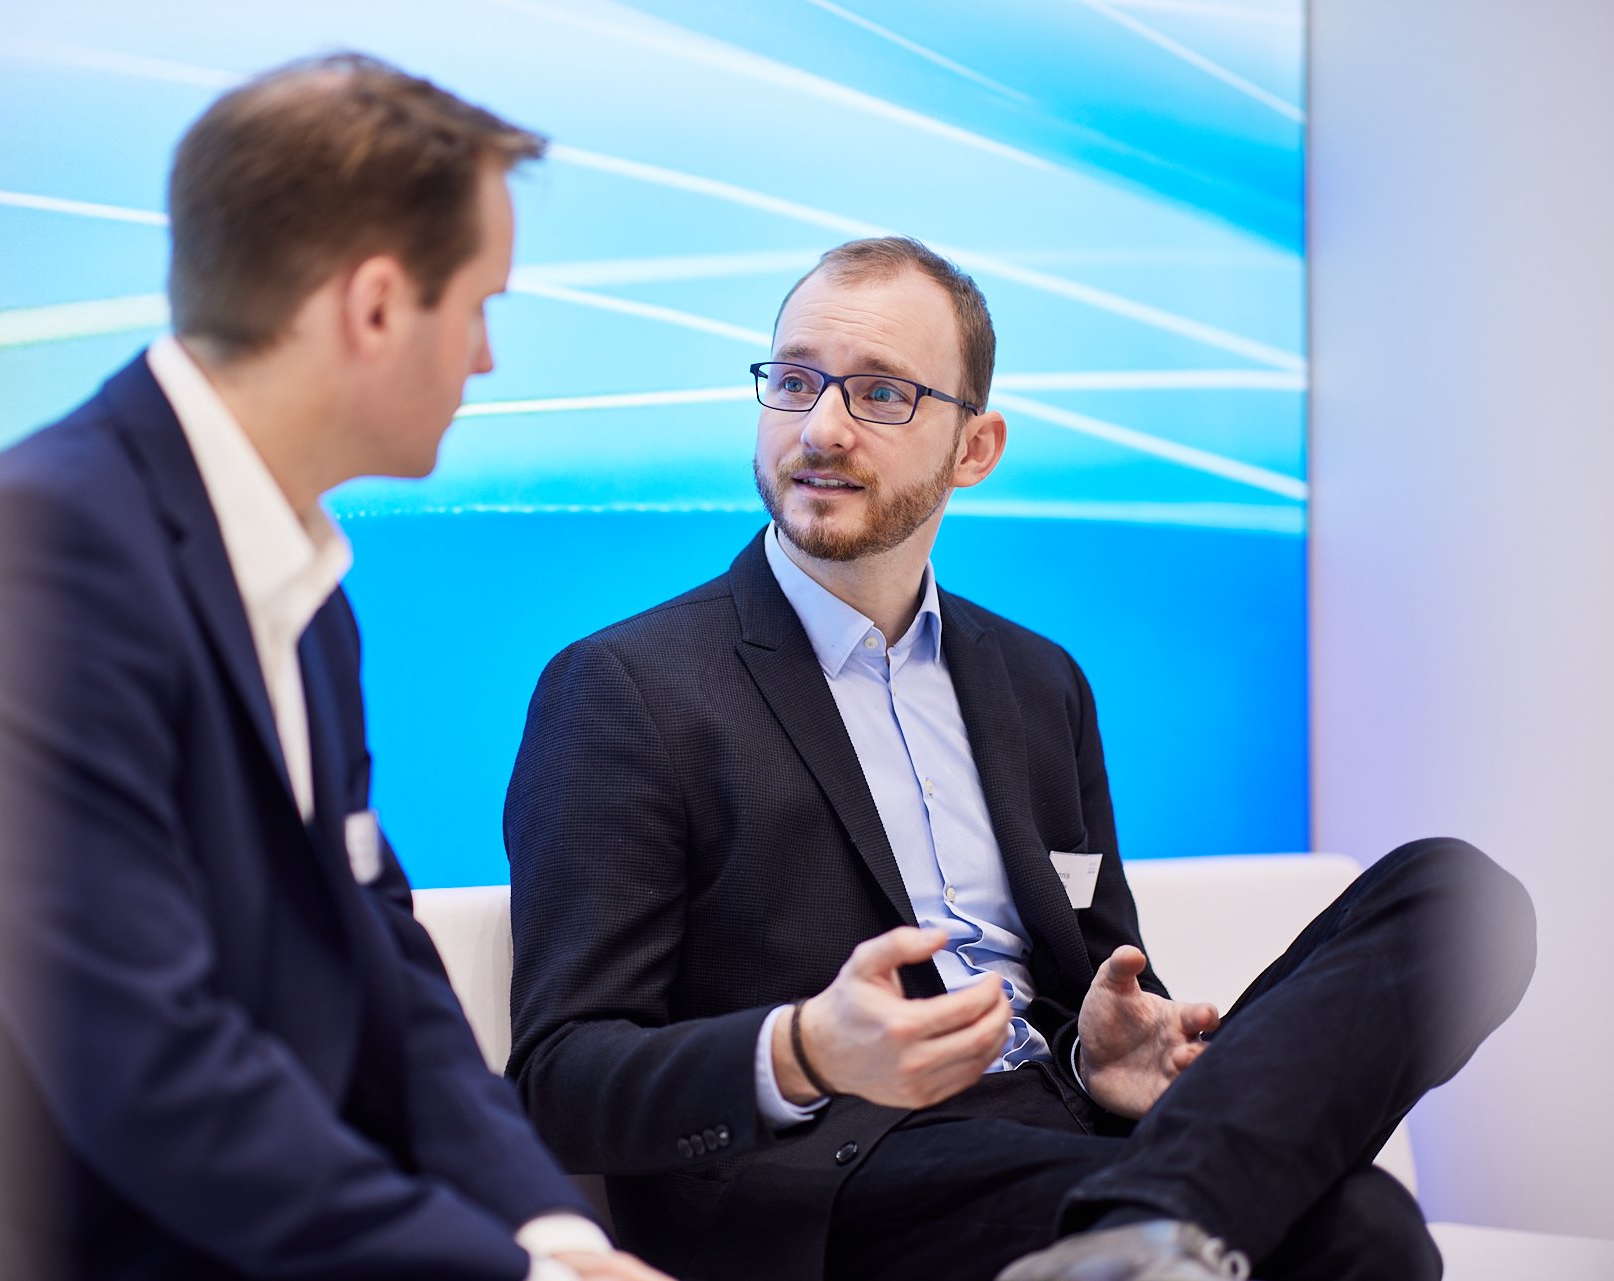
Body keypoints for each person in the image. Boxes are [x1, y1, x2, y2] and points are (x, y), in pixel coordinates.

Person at [0, 54, 666, 1281]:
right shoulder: (39, 555)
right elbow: (143, 1062)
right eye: (479, 306)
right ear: (370, 308)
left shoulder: (298, 582)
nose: (485, 360)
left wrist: (551, 1228)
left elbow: (382, 958)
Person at [503, 236, 1536, 1281]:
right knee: (1355, 1224)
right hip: (851, 1174)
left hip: (1064, 1143)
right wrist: (806, 1046)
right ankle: (1152, 1228)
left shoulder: (1041, 684)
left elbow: (1098, 972)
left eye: (879, 395)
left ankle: (1146, 1226)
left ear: (976, 447)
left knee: (1458, 894)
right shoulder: (627, 686)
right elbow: (559, 1076)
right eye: (796, 381)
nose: (820, 428)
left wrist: (1102, 1051)